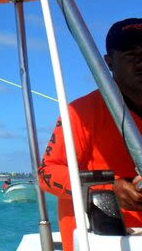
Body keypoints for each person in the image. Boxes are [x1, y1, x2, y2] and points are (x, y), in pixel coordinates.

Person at [38, 18, 142, 251]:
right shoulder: (82, 112)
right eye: (131, 56)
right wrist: (111, 188)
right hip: (101, 242)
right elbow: (47, 173)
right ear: (109, 62)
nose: (141, 63)